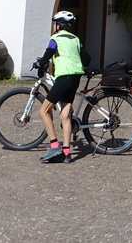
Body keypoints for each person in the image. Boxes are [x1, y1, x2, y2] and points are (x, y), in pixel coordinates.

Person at [33, 10, 88, 163]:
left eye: (55, 23)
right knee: (65, 115)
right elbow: (87, 58)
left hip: (64, 77)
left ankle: (54, 144)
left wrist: (39, 63)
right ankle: (67, 152)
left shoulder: (55, 38)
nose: (53, 26)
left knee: (43, 111)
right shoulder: (76, 39)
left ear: (59, 25)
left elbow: (47, 55)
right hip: (76, 77)